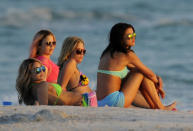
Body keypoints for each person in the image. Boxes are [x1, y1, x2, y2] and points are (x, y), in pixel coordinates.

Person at [96, 23, 176, 110]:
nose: (133, 38)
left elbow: (136, 70)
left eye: (134, 34)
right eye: (130, 35)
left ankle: (154, 106)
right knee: (140, 72)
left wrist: (155, 78)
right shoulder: (128, 55)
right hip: (114, 102)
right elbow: (149, 74)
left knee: (138, 72)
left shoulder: (107, 54)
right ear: (120, 38)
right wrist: (158, 84)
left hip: (100, 102)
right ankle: (160, 107)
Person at [16, 58, 83, 105]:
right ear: (28, 74)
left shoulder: (33, 89)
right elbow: (46, 106)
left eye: (42, 68)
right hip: (84, 101)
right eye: (37, 70)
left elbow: (39, 104)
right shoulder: (42, 85)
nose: (42, 71)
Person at [57, 36, 97, 106]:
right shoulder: (71, 63)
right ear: (69, 51)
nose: (82, 54)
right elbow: (61, 88)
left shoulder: (72, 65)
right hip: (85, 103)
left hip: (88, 102)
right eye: (78, 51)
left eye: (83, 51)